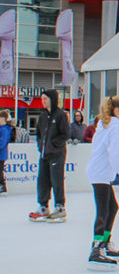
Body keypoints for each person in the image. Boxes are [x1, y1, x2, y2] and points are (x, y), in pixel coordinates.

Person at [85, 96, 119, 270]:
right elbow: (115, 157)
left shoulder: (107, 124)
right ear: (117, 110)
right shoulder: (114, 127)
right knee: (104, 210)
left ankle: (104, 243)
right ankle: (96, 249)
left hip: (100, 173)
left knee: (112, 207)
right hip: (100, 173)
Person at [29, 89, 70, 222]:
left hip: (56, 154)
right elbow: (38, 134)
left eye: (45, 99)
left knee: (56, 179)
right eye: (42, 99)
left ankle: (60, 207)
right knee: (42, 180)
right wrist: (41, 146)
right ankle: (43, 206)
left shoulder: (60, 115)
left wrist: (53, 144)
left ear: (52, 100)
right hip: (44, 154)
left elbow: (65, 134)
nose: (43, 101)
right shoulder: (42, 116)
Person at [0, 109, 11, 194]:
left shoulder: (4, 129)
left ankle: (2, 186)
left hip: (1, 155)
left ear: (3, 118)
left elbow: (2, 143)